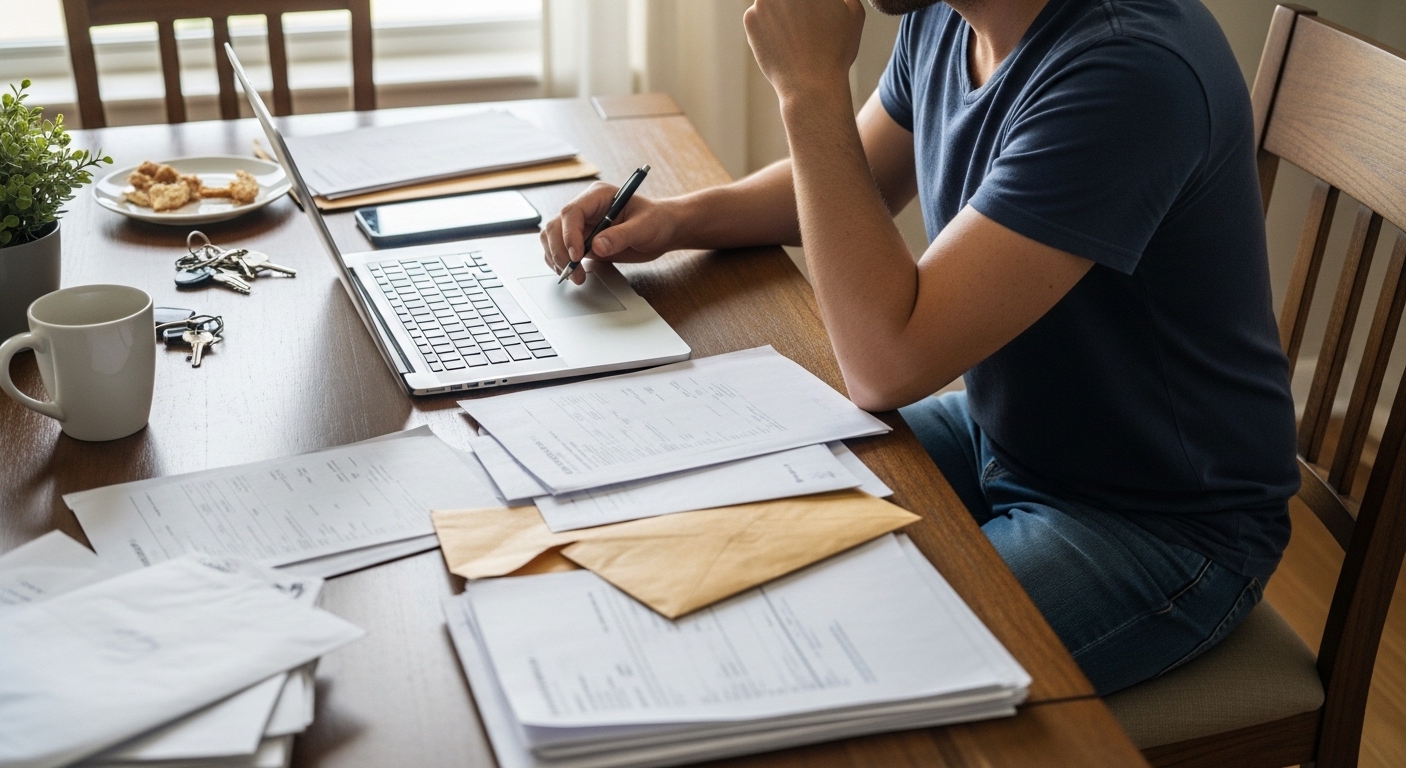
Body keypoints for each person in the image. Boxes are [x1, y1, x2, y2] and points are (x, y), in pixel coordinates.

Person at [540, 0, 1298, 696]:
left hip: (1160, 523)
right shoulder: (947, 15)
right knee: (723, 514)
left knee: (817, 660)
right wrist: (677, 220)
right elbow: (852, 174)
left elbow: (885, 365)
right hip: (1004, 432)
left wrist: (807, 87)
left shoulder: (1128, 71)